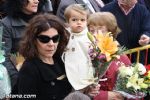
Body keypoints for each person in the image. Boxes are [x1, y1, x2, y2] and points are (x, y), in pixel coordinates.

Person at [17, 14, 72, 100]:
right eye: (44, 39)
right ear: (33, 40)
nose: (51, 44)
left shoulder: (62, 59)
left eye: (55, 38)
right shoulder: (29, 69)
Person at [1, 0, 50, 93]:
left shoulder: (45, 19)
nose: (36, 1)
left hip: (45, 75)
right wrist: (18, 80)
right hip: (21, 77)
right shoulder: (6, 24)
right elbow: (4, 57)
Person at [87, 12, 131, 100]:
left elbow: (130, 84)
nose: (95, 35)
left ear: (110, 32)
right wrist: (104, 95)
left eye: (100, 30)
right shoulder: (87, 54)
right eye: (92, 31)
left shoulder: (120, 55)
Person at [101, 0, 150, 64]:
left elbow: (147, 28)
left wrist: (145, 36)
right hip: (116, 59)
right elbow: (101, 33)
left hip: (137, 57)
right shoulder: (106, 10)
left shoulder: (142, 9)